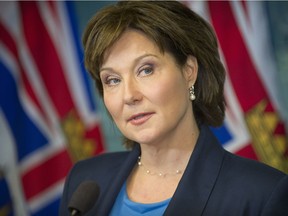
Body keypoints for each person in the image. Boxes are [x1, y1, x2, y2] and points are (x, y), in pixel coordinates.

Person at [60, 1, 288, 215]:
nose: (129, 96)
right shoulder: (84, 182)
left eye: (146, 70)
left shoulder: (261, 194)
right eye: (112, 80)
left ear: (189, 71)